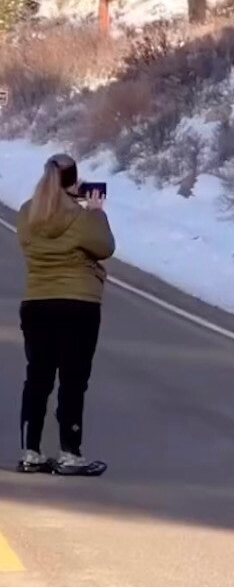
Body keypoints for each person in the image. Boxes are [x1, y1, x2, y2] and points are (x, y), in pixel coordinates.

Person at [17, 153, 113, 476]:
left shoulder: (28, 213)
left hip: (37, 301)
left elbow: (29, 247)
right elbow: (105, 247)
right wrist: (97, 212)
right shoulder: (83, 219)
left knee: (38, 378)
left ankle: (30, 450)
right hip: (78, 304)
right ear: (74, 182)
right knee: (73, 380)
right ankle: (70, 452)